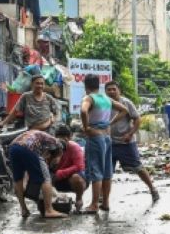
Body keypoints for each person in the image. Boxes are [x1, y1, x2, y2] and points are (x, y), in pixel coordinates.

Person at [79, 74, 128, 214]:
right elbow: (124, 110)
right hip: (107, 137)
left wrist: (86, 126)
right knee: (107, 172)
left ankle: (94, 204)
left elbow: (83, 110)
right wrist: (109, 122)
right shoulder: (106, 98)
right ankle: (105, 202)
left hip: (96, 137)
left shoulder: (89, 98)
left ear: (86, 86)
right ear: (98, 84)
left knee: (96, 171)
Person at [105, 81, 159, 202]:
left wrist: (130, 134)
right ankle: (104, 199)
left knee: (138, 167)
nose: (112, 92)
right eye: (109, 89)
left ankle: (152, 189)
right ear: (105, 92)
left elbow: (137, 119)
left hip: (126, 143)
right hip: (109, 143)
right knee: (107, 172)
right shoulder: (104, 104)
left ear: (119, 91)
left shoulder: (126, 103)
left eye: (114, 89)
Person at [8, 129, 66, 219]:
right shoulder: (58, 143)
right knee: (46, 178)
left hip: (13, 148)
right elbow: (54, 159)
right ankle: (49, 210)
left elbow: (41, 157)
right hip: (27, 147)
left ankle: (23, 209)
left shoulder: (44, 140)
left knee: (18, 179)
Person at [52, 123, 87, 208]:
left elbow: (79, 166)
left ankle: (79, 198)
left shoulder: (75, 147)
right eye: (59, 137)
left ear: (70, 137)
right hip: (54, 177)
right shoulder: (51, 147)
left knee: (76, 178)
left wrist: (61, 173)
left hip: (70, 177)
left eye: (65, 137)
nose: (63, 140)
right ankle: (49, 202)